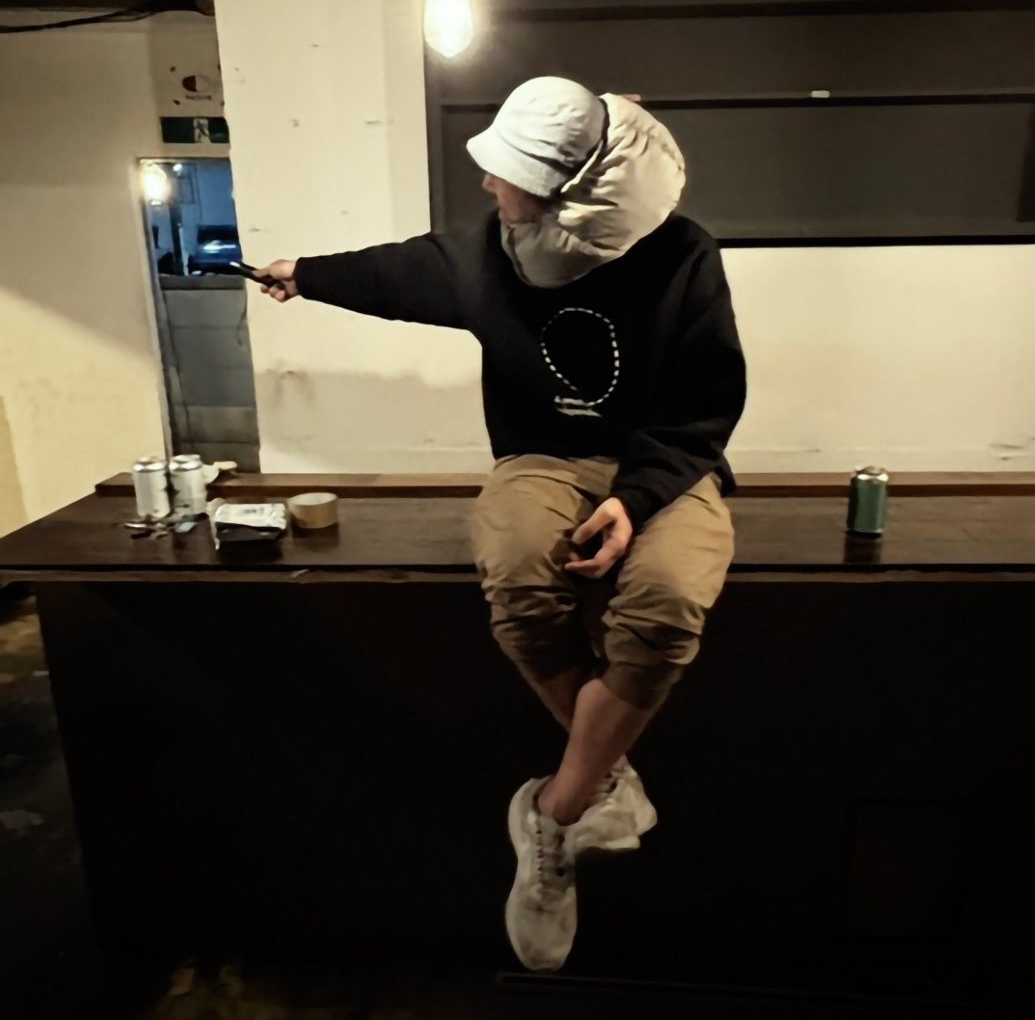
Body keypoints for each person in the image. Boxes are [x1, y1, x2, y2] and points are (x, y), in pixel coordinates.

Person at [257, 76, 746, 972]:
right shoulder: (491, 250)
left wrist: (635, 500)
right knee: (519, 576)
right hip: (539, 459)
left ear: (573, 195)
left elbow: (706, 401)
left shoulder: (683, 255)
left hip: (664, 466)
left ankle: (555, 809)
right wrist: (306, 274)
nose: (487, 185)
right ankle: (607, 777)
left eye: (507, 175)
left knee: (670, 600)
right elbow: (398, 272)